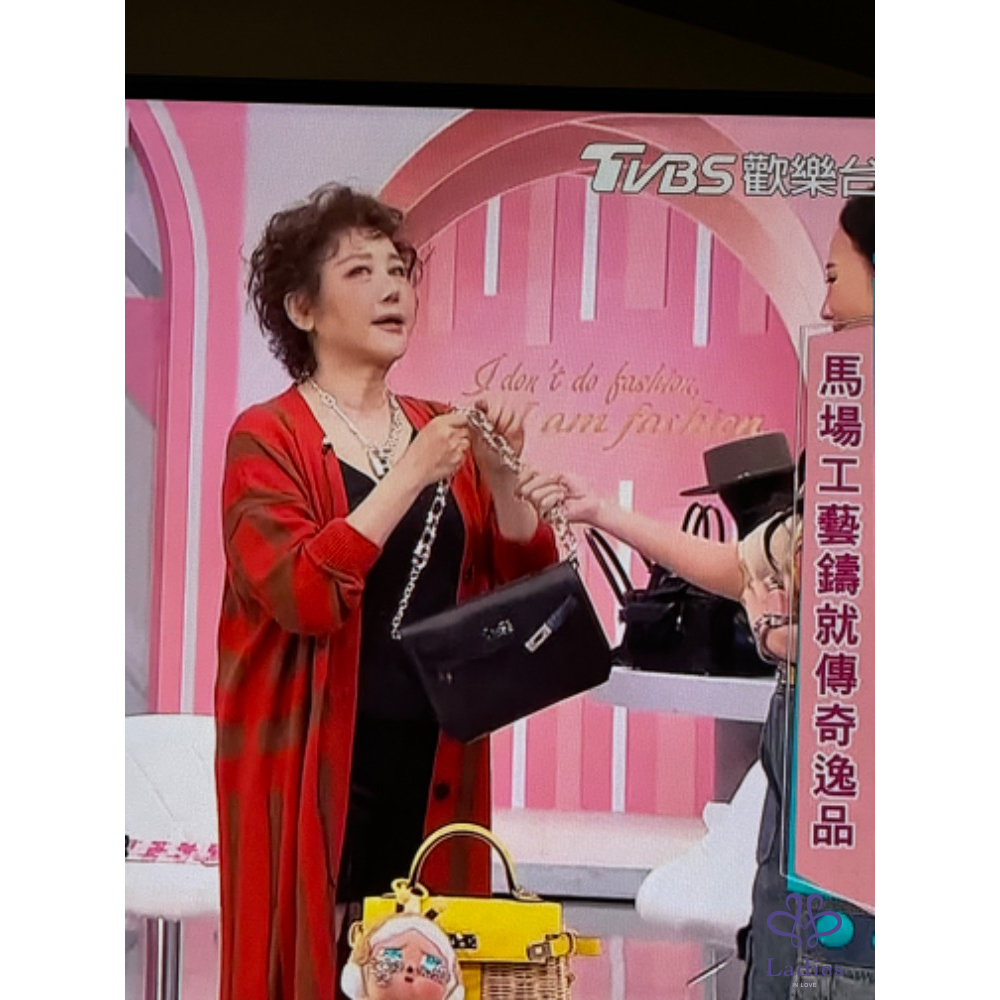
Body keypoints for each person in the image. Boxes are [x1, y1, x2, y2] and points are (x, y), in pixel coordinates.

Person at [517, 196, 875, 999]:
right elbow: (747, 567)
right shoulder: (846, 433)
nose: (824, 306)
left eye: (834, 276)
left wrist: (790, 638)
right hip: (808, 775)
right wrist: (605, 512)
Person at [215, 184, 557, 1000]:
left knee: (428, 973)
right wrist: (409, 473)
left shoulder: (443, 429)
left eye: (398, 270)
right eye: (360, 272)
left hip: (435, 760)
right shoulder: (266, 437)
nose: (392, 288)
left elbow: (523, 583)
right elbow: (303, 592)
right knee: (310, 969)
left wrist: (501, 477)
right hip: (311, 765)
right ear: (302, 308)